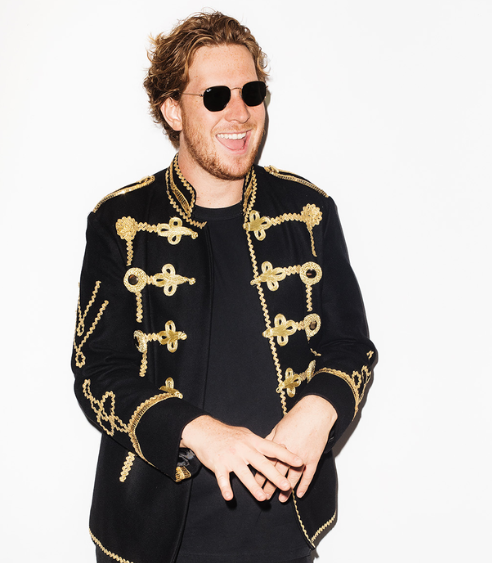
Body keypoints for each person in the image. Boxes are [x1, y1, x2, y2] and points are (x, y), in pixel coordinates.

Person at [72, 11, 377, 563]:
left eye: (251, 93)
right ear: (172, 109)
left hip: (285, 534)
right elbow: (96, 371)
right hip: (149, 540)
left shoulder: (309, 212)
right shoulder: (120, 222)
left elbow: (351, 348)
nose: (239, 113)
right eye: (215, 97)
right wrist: (198, 430)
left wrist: (320, 407)